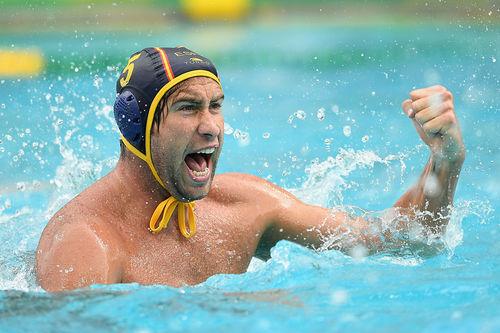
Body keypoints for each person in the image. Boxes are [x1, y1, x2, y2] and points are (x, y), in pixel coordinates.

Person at [35, 47, 465, 292]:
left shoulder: (245, 206)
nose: (212, 128)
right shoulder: (87, 244)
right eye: (188, 108)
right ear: (137, 126)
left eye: (216, 107)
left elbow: (410, 238)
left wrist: (444, 161)